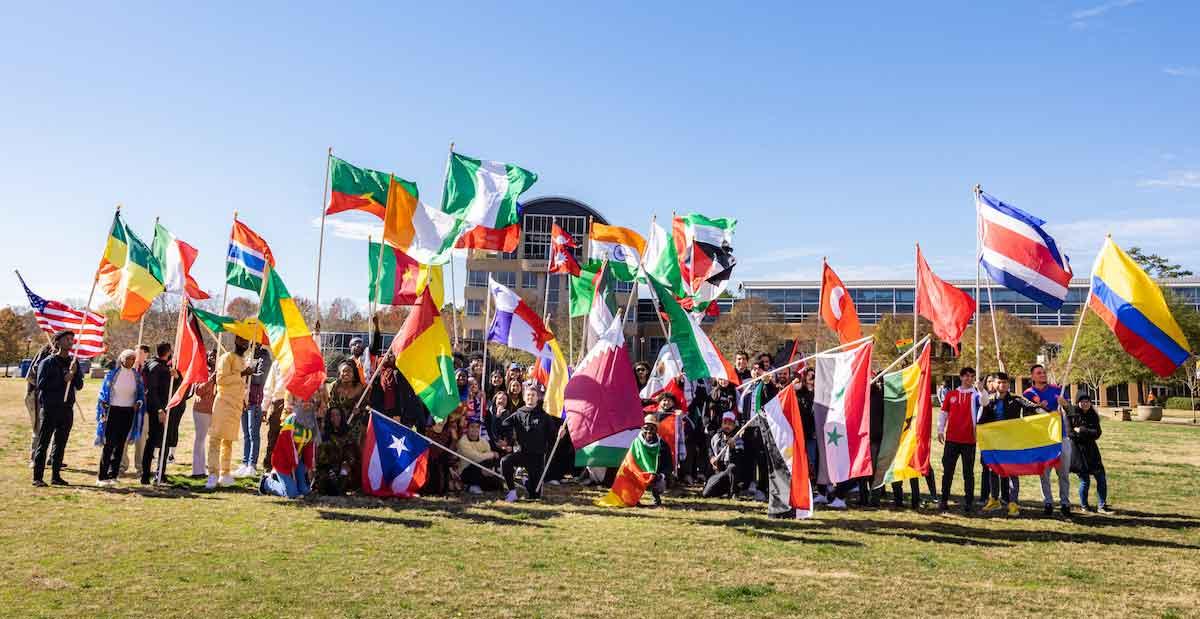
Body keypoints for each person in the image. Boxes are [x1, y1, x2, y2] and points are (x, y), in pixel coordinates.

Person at [978, 372, 1042, 516]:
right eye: (1000, 382)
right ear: (994, 384)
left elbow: (1032, 407)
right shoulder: (989, 401)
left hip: (1012, 443)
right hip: (994, 443)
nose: (1003, 385)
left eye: (1006, 382)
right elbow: (982, 420)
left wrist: (1043, 409)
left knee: (1013, 472)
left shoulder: (1016, 399)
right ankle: (994, 500)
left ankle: (1013, 503)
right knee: (993, 471)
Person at [32, 330, 84, 487]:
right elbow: (41, 384)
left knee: (60, 443)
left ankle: (56, 476)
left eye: (72, 339)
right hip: (50, 408)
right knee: (44, 442)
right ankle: (38, 477)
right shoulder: (47, 362)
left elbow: (80, 386)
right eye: (67, 339)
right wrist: (63, 379)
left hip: (66, 409)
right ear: (58, 342)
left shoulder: (73, 362)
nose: (70, 341)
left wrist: (74, 375)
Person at [207, 336, 254, 489]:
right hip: (223, 403)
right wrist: (241, 374)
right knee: (216, 439)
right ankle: (212, 475)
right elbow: (220, 380)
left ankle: (225, 474)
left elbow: (241, 385)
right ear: (235, 342)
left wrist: (244, 401)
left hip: (236, 405)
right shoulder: (226, 357)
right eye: (242, 341)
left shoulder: (243, 360)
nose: (244, 345)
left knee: (228, 441)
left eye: (246, 342)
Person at [1023, 364, 1071, 516]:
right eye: (1039, 373)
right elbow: (1026, 416)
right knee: (1044, 473)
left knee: (1063, 472)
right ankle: (1048, 502)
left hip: (1060, 435)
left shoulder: (1058, 390)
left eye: (1044, 372)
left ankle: (1065, 503)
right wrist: (1038, 409)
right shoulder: (1028, 393)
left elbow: (1071, 410)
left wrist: (1066, 405)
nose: (1042, 375)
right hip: (1042, 438)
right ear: (1033, 377)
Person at [937, 367, 985, 514]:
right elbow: (943, 413)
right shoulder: (952, 394)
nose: (969, 379)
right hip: (951, 439)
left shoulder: (975, 395)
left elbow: (985, 403)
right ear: (961, 377)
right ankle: (944, 500)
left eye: (971, 376)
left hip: (969, 440)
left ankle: (969, 502)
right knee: (948, 472)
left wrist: (982, 390)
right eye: (966, 376)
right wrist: (940, 430)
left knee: (968, 473)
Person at [94, 349, 144, 486]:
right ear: (121, 359)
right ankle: (102, 476)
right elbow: (103, 393)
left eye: (133, 359)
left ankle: (113, 474)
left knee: (121, 444)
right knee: (109, 444)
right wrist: (104, 405)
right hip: (113, 411)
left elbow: (140, 395)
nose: (130, 361)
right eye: (128, 358)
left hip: (128, 412)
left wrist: (138, 403)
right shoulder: (112, 375)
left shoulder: (137, 377)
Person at [500, 383, 553, 502]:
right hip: (522, 453)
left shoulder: (544, 416)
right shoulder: (519, 413)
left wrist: (561, 433)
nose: (530, 397)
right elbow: (505, 425)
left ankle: (527, 482)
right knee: (505, 461)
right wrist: (508, 438)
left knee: (535, 495)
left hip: (538, 457)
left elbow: (552, 434)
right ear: (524, 397)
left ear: (537, 397)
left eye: (533, 395)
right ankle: (512, 492)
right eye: (528, 395)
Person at [1065, 394, 1111, 513]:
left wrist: (1082, 430)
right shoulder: (1072, 414)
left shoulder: (1093, 415)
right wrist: (1086, 433)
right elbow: (1070, 434)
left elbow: (1097, 433)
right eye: (1082, 401)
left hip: (1092, 451)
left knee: (1101, 478)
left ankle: (1102, 505)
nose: (1085, 403)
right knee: (1085, 480)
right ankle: (1084, 506)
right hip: (1079, 452)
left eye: (1087, 401)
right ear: (1078, 403)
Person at [235, 346, 272, 479]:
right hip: (244, 399)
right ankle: (245, 462)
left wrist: (245, 373)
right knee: (245, 433)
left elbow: (261, 379)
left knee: (253, 433)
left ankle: (252, 464)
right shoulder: (248, 356)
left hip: (255, 401)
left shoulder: (265, 358)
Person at [259, 413, 316, 498]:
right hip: (282, 461)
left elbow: (310, 446)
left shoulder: (311, 421)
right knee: (292, 494)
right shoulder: (291, 419)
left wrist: (309, 465)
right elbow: (288, 445)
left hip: (297, 460)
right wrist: (293, 464)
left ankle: (285, 482)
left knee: (304, 491)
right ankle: (266, 482)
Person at [139, 342, 173, 484]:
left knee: (160, 441)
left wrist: (175, 376)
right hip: (158, 409)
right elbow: (152, 390)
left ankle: (159, 473)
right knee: (155, 441)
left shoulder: (156, 365)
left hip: (163, 408)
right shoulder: (157, 367)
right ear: (168, 352)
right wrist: (159, 409)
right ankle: (147, 474)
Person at [703, 412, 750, 498]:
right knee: (706, 493)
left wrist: (732, 448)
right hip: (719, 473)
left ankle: (733, 492)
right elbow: (710, 451)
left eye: (730, 424)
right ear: (721, 424)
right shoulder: (716, 437)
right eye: (725, 423)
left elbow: (740, 459)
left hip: (733, 475)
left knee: (732, 467)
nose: (727, 426)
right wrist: (712, 458)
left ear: (734, 425)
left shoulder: (738, 438)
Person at [457, 418, 501, 494]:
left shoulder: (484, 441)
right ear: (467, 428)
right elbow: (476, 458)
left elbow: (489, 459)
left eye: (477, 427)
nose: (475, 429)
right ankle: (470, 486)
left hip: (483, 469)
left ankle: (480, 484)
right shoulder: (462, 442)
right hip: (466, 471)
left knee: (498, 485)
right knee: (477, 465)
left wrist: (491, 467)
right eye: (472, 426)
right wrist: (492, 454)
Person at [190, 352, 217, 477]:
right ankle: (197, 470)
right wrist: (211, 380)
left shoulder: (221, 373)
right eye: (211, 356)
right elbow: (198, 391)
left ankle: (206, 469)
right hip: (201, 410)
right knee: (200, 439)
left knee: (210, 441)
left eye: (215, 356)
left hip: (214, 411)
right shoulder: (201, 371)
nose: (213, 358)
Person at [25, 344, 52, 465]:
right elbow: (32, 376)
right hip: (40, 398)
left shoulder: (67, 356)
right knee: (39, 428)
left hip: (59, 400)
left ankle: (53, 457)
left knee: (56, 429)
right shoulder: (45, 353)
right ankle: (35, 457)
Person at [260, 359, 288, 472]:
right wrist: (264, 408)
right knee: (273, 438)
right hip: (278, 403)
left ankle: (285, 469)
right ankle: (269, 468)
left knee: (288, 439)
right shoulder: (278, 363)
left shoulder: (300, 361)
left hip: (295, 404)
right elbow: (269, 387)